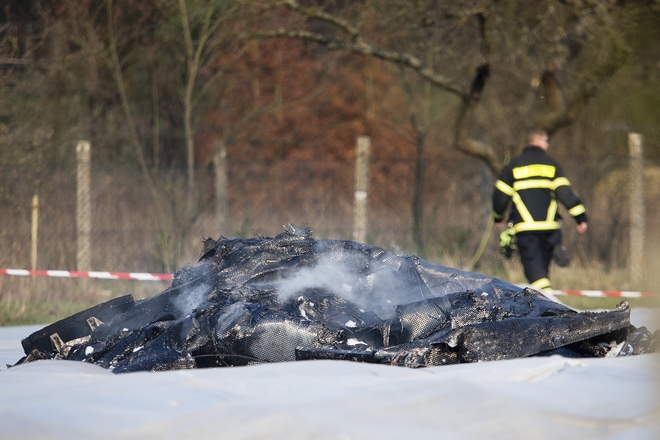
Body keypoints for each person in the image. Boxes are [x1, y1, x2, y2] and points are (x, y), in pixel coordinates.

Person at [492, 126, 588, 291]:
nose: (547, 144)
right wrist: (581, 218)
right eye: (546, 141)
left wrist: (498, 216)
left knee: (535, 273)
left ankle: (549, 300)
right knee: (542, 271)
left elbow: (500, 197)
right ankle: (547, 298)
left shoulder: (514, 165)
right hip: (550, 230)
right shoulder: (551, 165)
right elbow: (566, 194)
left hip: (526, 229)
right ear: (538, 141)